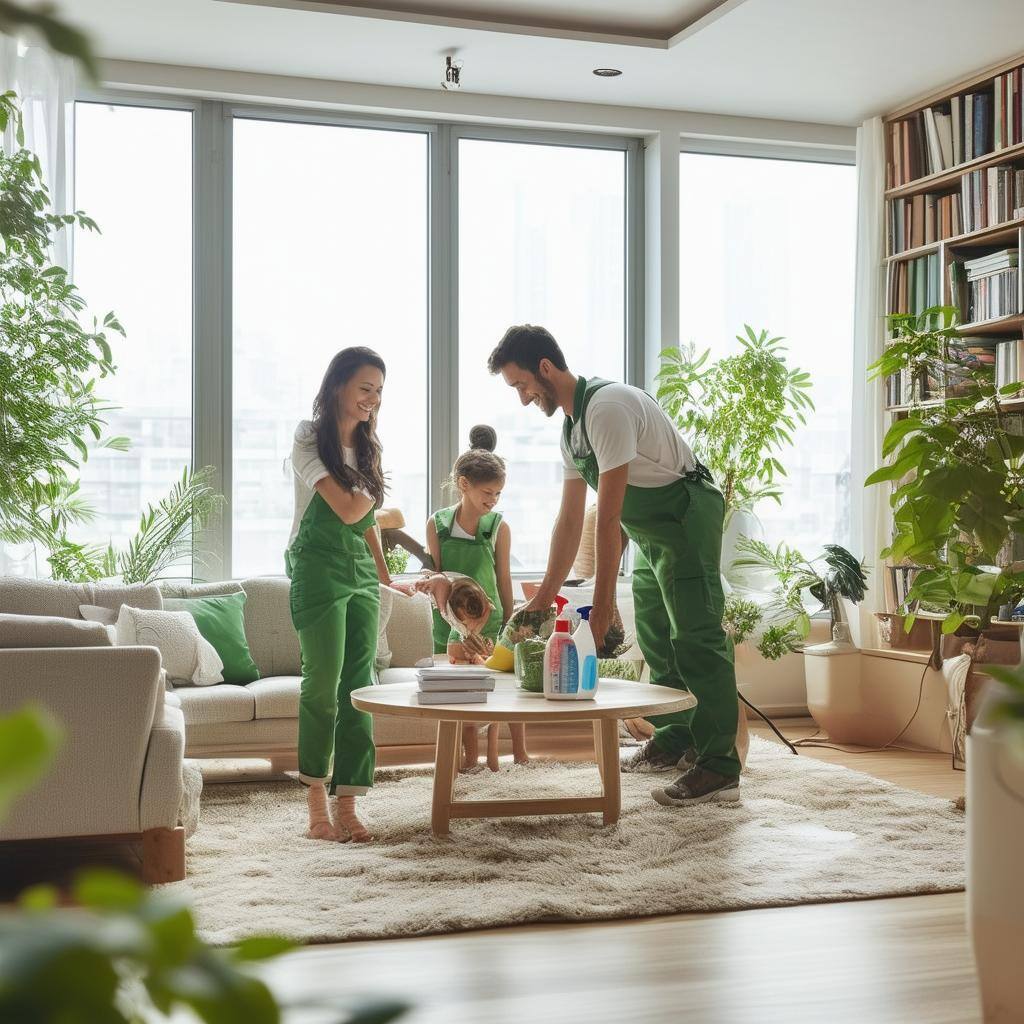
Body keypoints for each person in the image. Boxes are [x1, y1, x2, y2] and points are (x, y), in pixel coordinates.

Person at [487, 324, 741, 807]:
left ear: (545, 367)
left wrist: (602, 607)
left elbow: (609, 517)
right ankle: (676, 737)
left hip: (684, 516)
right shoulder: (571, 430)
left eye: (522, 385)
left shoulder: (607, 408)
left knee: (696, 637)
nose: (522, 399)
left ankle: (719, 765)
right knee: (658, 638)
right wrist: (541, 601)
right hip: (650, 530)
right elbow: (569, 523)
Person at [285, 347, 393, 843]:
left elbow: (365, 522)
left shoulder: (370, 448)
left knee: (360, 689)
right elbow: (347, 509)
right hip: (317, 566)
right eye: (365, 388)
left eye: (378, 390)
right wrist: (373, 490)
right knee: (322, 687)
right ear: (337, 388)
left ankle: (348, 803)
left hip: (359, 573)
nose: (372, 399)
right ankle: (314, 806)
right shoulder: (309, 438)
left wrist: (385, 574)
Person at [425, 429, 528, 770]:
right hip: (451, 625)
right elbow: (437, 577)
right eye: (488, 492)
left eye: (499, 493)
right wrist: (452, 622)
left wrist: (511, 622)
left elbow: (503, 578)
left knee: (506, 689)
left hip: (493, 622)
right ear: (464, 484)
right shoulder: (437, 525)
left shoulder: (498, 527)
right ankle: (469, 759)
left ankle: (518, 755)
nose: (494, 500)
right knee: (462, 696)